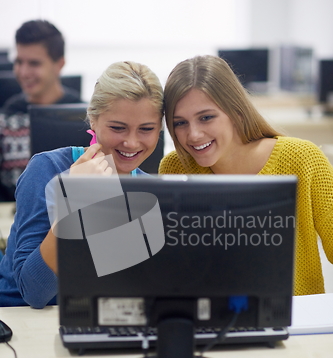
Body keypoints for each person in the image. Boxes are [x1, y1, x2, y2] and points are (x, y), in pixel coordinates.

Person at [159, 55, 333, 296]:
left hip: (296, 322)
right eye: (180, 123)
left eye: (206, 117)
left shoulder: (302, 158)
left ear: (236, 112)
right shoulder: (175, 168)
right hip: (210, 319)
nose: (194, 135)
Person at [0, 61, 164, 307]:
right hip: (22, 322)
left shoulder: (151, 192)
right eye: (118, 128)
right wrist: (75, 202)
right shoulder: (46, 170)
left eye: (146, 129)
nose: (131, 142)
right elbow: (34, 293)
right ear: (93, 120)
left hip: (92, 315)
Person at [0, 20, 82, 201]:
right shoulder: (5, 116)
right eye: (19, 62)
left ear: (59, 64)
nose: (23, 72)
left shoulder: (83, 118)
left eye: (34, 63)